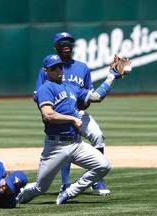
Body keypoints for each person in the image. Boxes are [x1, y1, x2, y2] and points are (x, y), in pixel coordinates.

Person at [17, 54, 130, 205]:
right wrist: (72, 119)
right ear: (46, 71)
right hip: (55, 147)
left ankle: (69, 192)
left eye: (60, 67)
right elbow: (48, 115)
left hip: (76, 144)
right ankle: (14, 198)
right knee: (40, 188)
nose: (58, 70)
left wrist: (111, 77)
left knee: (103, 166)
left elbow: (96, 97)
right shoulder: (46, 88)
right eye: (54, 68)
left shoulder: (72, 87)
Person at [34, 32, 110, 195]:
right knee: (65, 144)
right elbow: (38, 95)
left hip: (78, 112)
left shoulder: (82, 67)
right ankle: (65, 183)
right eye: (62, 43)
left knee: (98, 135)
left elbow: (90, 96)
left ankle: (97, 181)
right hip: (58, 113)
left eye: (69, 42)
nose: (66, 45)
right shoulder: (46, 70)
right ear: (56, 47)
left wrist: (111, 78)